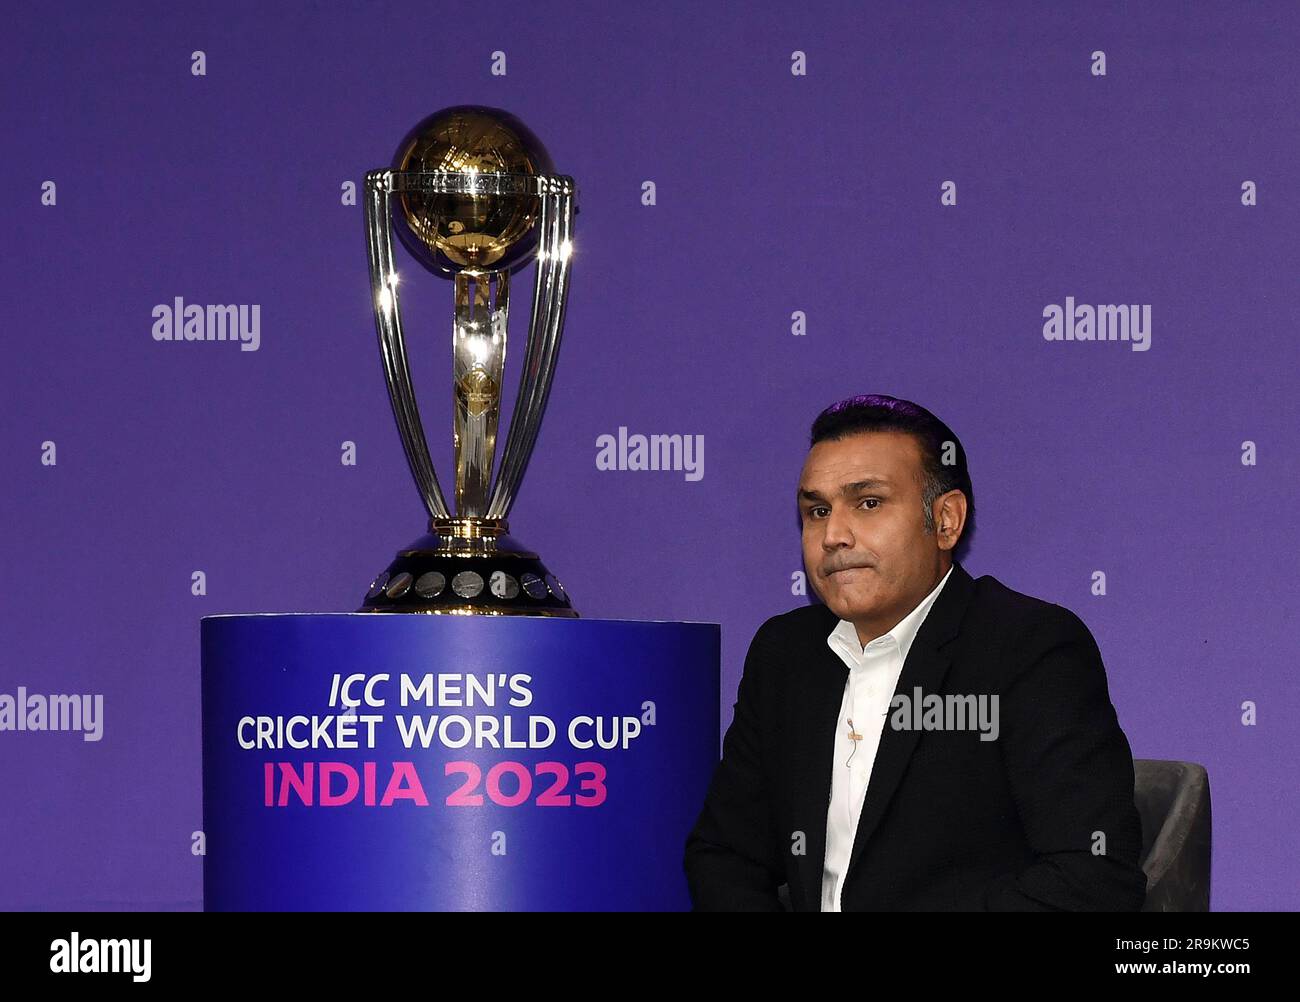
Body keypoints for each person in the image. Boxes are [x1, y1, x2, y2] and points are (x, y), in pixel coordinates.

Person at [683, 394, 1147, 911]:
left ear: (946, 520)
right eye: (817, 511)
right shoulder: (785, 653)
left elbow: (1091, 876)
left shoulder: (1030, 647)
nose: (833, 536)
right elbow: (726, 854)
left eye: (868, 503)